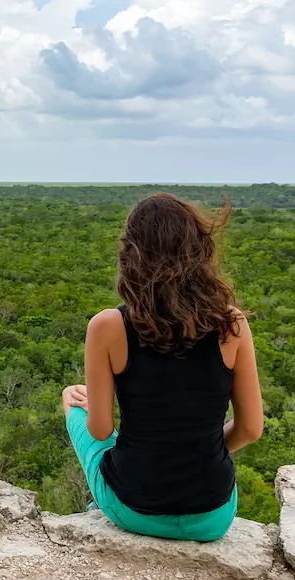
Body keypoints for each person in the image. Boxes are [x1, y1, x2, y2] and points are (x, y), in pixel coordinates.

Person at [61, 192, 264, 542]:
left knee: (70, 397)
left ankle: (99, 506)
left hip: (134, 508)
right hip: (213, 516)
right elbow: (250, 430)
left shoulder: (107, 326)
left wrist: (93, 406)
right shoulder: (232, 325)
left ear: (132, 254)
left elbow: (100, 430)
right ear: (199, 251)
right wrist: (197, 448)